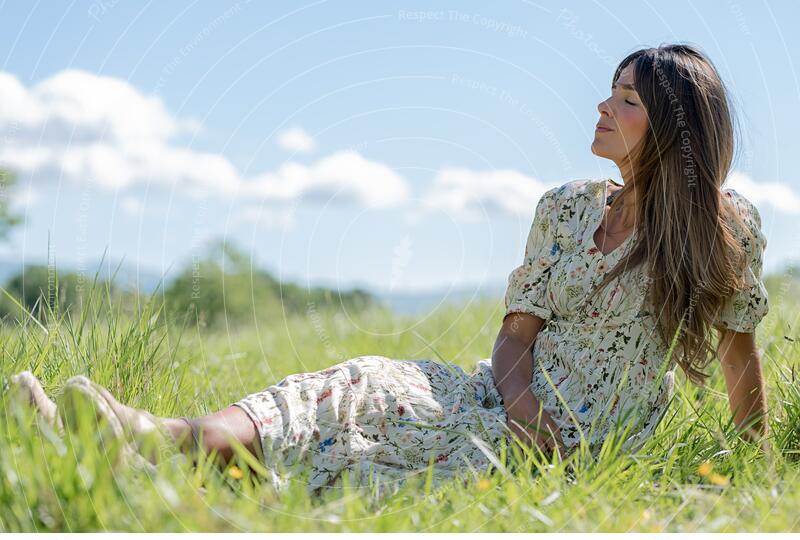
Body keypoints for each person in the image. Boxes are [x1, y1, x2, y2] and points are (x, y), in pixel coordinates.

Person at [7, 43, 771, 497]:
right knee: (358, 383)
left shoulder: (724, 227)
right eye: (608, 91)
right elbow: (515, 334)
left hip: (589, 440)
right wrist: (517, 399)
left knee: (385, 440)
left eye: (626, 98)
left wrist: (755, 470)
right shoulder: (565, 206)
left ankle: (137, 453)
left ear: (671, 126)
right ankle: (142, 436)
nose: (601, 107)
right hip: (506, 397)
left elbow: (741, 365)